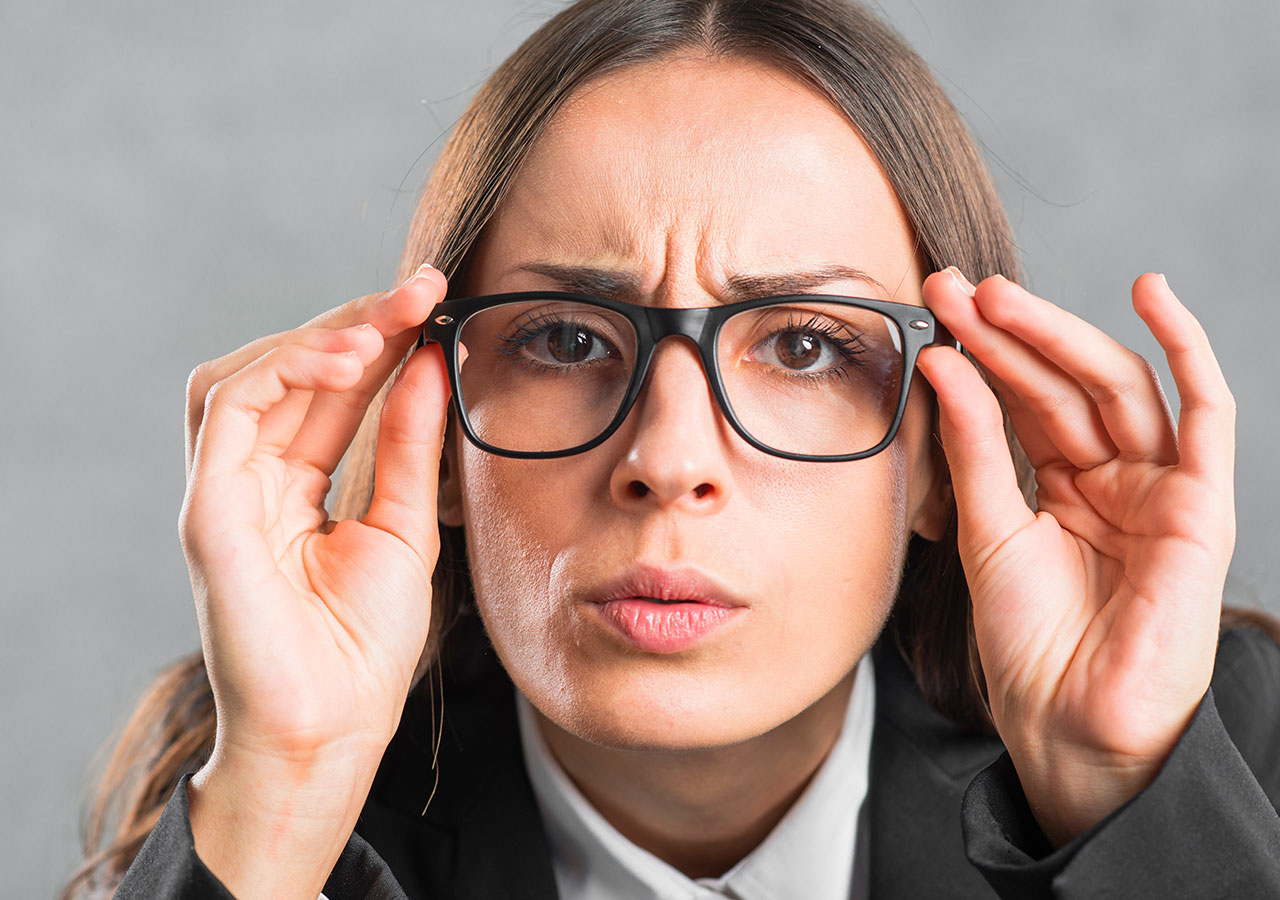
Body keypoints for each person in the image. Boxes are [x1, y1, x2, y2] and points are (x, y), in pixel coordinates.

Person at [62, 1, 1280, 898]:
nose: (668, 459)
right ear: (432, 437)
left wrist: (1117, 794)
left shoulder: (1211, 752)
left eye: (803, 346)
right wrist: (281, 790)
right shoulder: (272, 799)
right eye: (562, 339)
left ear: (938, 448)